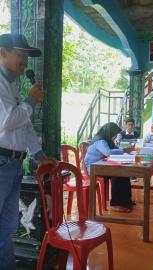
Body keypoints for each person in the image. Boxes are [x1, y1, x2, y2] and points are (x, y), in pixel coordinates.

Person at [0, 33, 53, 269]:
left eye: (27, 56)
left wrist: (39, 157)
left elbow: (24, 126)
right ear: (2, 52)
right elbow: (8, 121)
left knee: (8, 228)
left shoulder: (12, 84)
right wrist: (31, 101)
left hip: (12, 165)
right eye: (20, 54)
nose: (25, 61)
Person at [84, 122, 134, 212]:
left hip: (101, 165)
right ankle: (115, 204)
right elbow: (108, 152)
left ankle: (126, 201)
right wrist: (124, 150)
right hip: (93, 169)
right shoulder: (100, 140)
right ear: (109, 133)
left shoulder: (106, 139)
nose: (115, 137)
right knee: (117, 174)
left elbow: (115, 149)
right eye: (114, 135)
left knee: (124, 172)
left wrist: (126, 150)